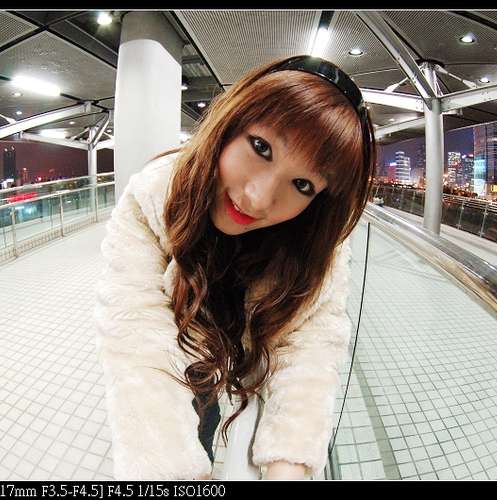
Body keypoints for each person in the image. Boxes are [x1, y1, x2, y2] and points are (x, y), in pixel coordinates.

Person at [93, 55, 376, 480]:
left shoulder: (314, 245)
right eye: (261, 147)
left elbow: (311, 342)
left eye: (302, 185)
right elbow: (136, 341)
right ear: (229, 123)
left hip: (232, 359)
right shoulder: (153, 198)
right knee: (196, 418)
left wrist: (289, 462)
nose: (258, 198)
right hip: (181, 356)